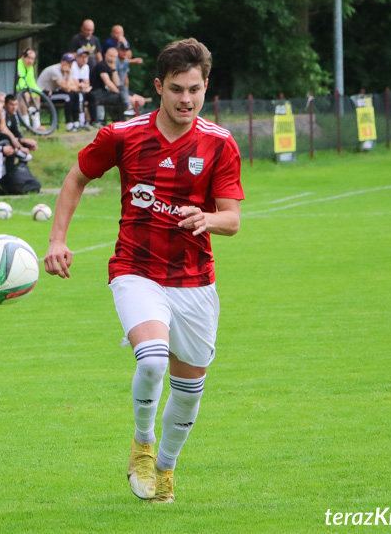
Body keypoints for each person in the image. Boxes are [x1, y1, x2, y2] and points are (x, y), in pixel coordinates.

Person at [44, 38, 244, 504]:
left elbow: (232, 219)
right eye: (176, 89)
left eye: (194, 89)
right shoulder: (123, 135)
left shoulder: (219, 143)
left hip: (195, 280)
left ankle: (166, 469)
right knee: (151, 358)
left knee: (190, 389)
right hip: (136, 269)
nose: (186, 99)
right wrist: (57, 239)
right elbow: (76, 178)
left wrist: (208, 219)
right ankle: (141, 445)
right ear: (158, 86)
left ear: (205, 85)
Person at [37, 53, 83, 132]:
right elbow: (67, 89)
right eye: (68, 63)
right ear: (62, 62)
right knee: (68, 96)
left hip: (53, 92)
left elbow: (74, 87)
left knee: (76, 95)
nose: (70, 65)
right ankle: (69, 124)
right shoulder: (55, 71)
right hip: (44, 95)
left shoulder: (66, 70)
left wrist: (73, 85)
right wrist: (69, 74)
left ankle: (76, 123)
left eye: (71, 63)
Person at [88, 47, 125, 127]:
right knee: (119, 97)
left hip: (103, 92)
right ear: (105, 55)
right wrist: (118, 92)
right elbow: (107, 82)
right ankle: (120, 121)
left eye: (115, 57)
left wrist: (114, 69)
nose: (112, 58)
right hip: (96, 92)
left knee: (119, 97)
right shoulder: (101, 65)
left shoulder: (111, 67)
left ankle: (119, 121)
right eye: (111, 56)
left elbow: (117, 83)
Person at [116, 41, 145, 117]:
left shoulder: (125, 62)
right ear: (118, 51)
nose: (125, 52)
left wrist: (126, 90)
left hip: (124, 89)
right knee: (132, 101)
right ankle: (128, 110)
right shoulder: (115, 61)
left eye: (126, 50)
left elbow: (126, 78)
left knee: (141, 100)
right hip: (116, 88)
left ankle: (136, 117)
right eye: (122, 50)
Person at [70, 48, 94, 129]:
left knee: (92, 96)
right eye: (81, 56)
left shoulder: (86, 67)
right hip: (73, 90)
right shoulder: (73, 66)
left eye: (85, 57)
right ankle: (79, 121)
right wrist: (83, 86)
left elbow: (87, 83)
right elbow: (76, 84)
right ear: (76, 57)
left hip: (81, 90)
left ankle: (93, 121)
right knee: (79, 96)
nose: (83, 59)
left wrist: (83, 86)